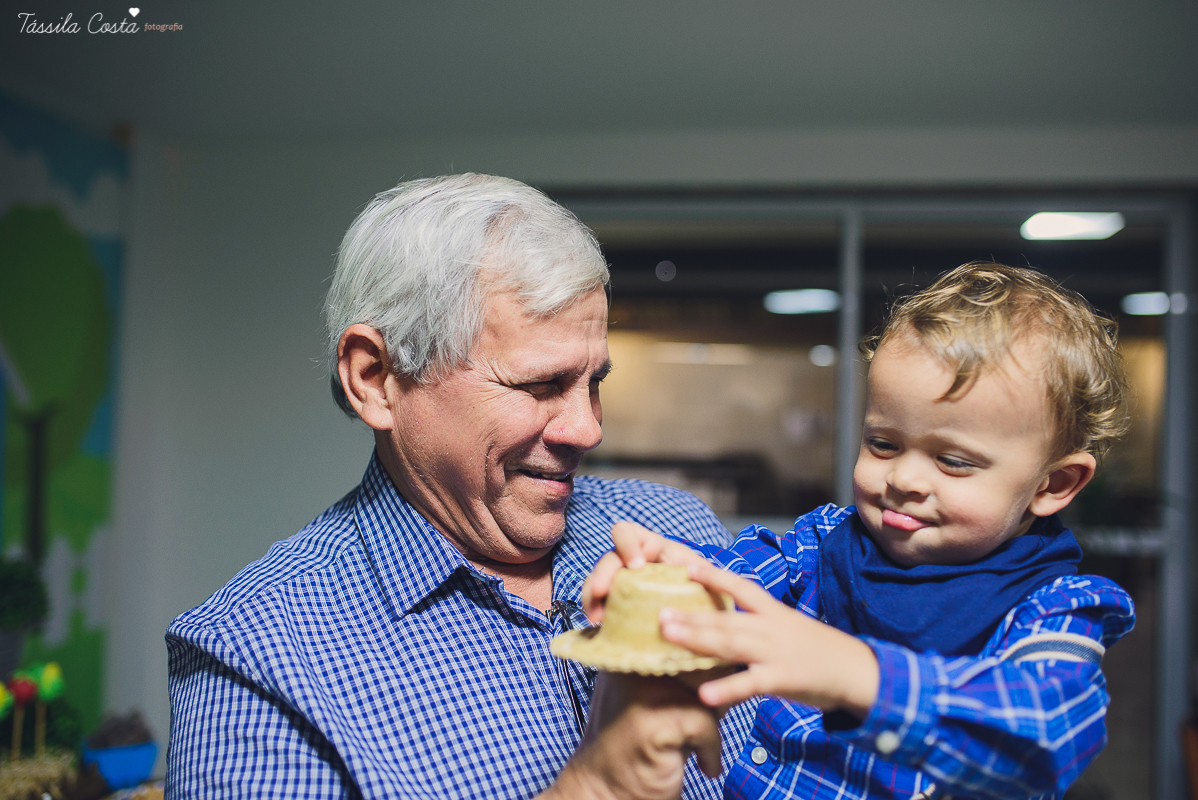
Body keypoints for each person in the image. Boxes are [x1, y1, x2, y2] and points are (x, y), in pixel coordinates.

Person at [165, 174, 754, 799]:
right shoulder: (253, 656)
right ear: (376, 378)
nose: (588, 429)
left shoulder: (678, 530)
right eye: (541, 385)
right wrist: (600, 786)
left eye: (594, 382)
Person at [585, 263, 1137, 800]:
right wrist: (667, 576)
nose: (903, 479)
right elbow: (731, 582)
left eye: (953, 461)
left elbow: (1045, 739)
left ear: (1054, 483)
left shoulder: (1055, 608)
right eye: (884, 444)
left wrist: (857, 675)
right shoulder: (824, 543)